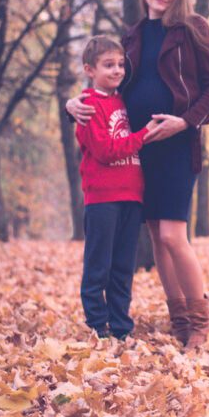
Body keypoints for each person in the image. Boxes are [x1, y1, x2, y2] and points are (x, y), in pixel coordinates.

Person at [67, 0, 209, 348]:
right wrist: (74, 102)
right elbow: (110, 84)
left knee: (173, 234)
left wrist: (185, 122)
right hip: (137, 151)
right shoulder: (133, 36)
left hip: (174, 145)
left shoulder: (192, 29)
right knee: (156, 236)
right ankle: (180, 322)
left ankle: (200, 325)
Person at [75, 36, 157, 340]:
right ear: (89, 69)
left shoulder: (124, 101)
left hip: (131, 196)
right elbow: (106, 150)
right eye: (109, 65)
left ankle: (122, 327)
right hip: (102, 199)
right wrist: (143, 135)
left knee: (124, 268)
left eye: (121, 64)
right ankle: (98, 326)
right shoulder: (86, 107)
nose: (117, 70)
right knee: (99, 267)